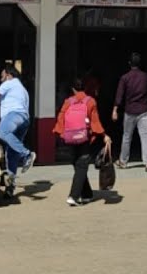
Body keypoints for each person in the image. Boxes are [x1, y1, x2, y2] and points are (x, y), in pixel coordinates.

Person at [53, 77, 111, 206]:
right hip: (84, 138)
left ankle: (87, 194)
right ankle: (73, 196)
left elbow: (61, 118)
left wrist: (60, 133)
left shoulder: (68, 102)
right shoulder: (90, 102)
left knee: (78, 165)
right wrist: (104, 135)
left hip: (70, 138)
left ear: (73, 89)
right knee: (82, 166)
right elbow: (95, 121)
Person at [0, 65, 35, 187]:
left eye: (2, 76)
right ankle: (10, 187)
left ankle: (27, 154)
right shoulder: (22, 89)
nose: (1, 79)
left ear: (9, 75)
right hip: (24, 120)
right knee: (12, 153)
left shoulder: (10, 83)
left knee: (2, 133)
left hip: (13, 116)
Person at [112, 52, 147, 171]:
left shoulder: (125, 78)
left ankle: (123, 161)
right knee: (145, 136)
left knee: (126, 137)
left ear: (129, 63)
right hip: (144, 110)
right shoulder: (146, 77)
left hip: (130, 111)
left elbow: (119, 95)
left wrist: (115, 109)